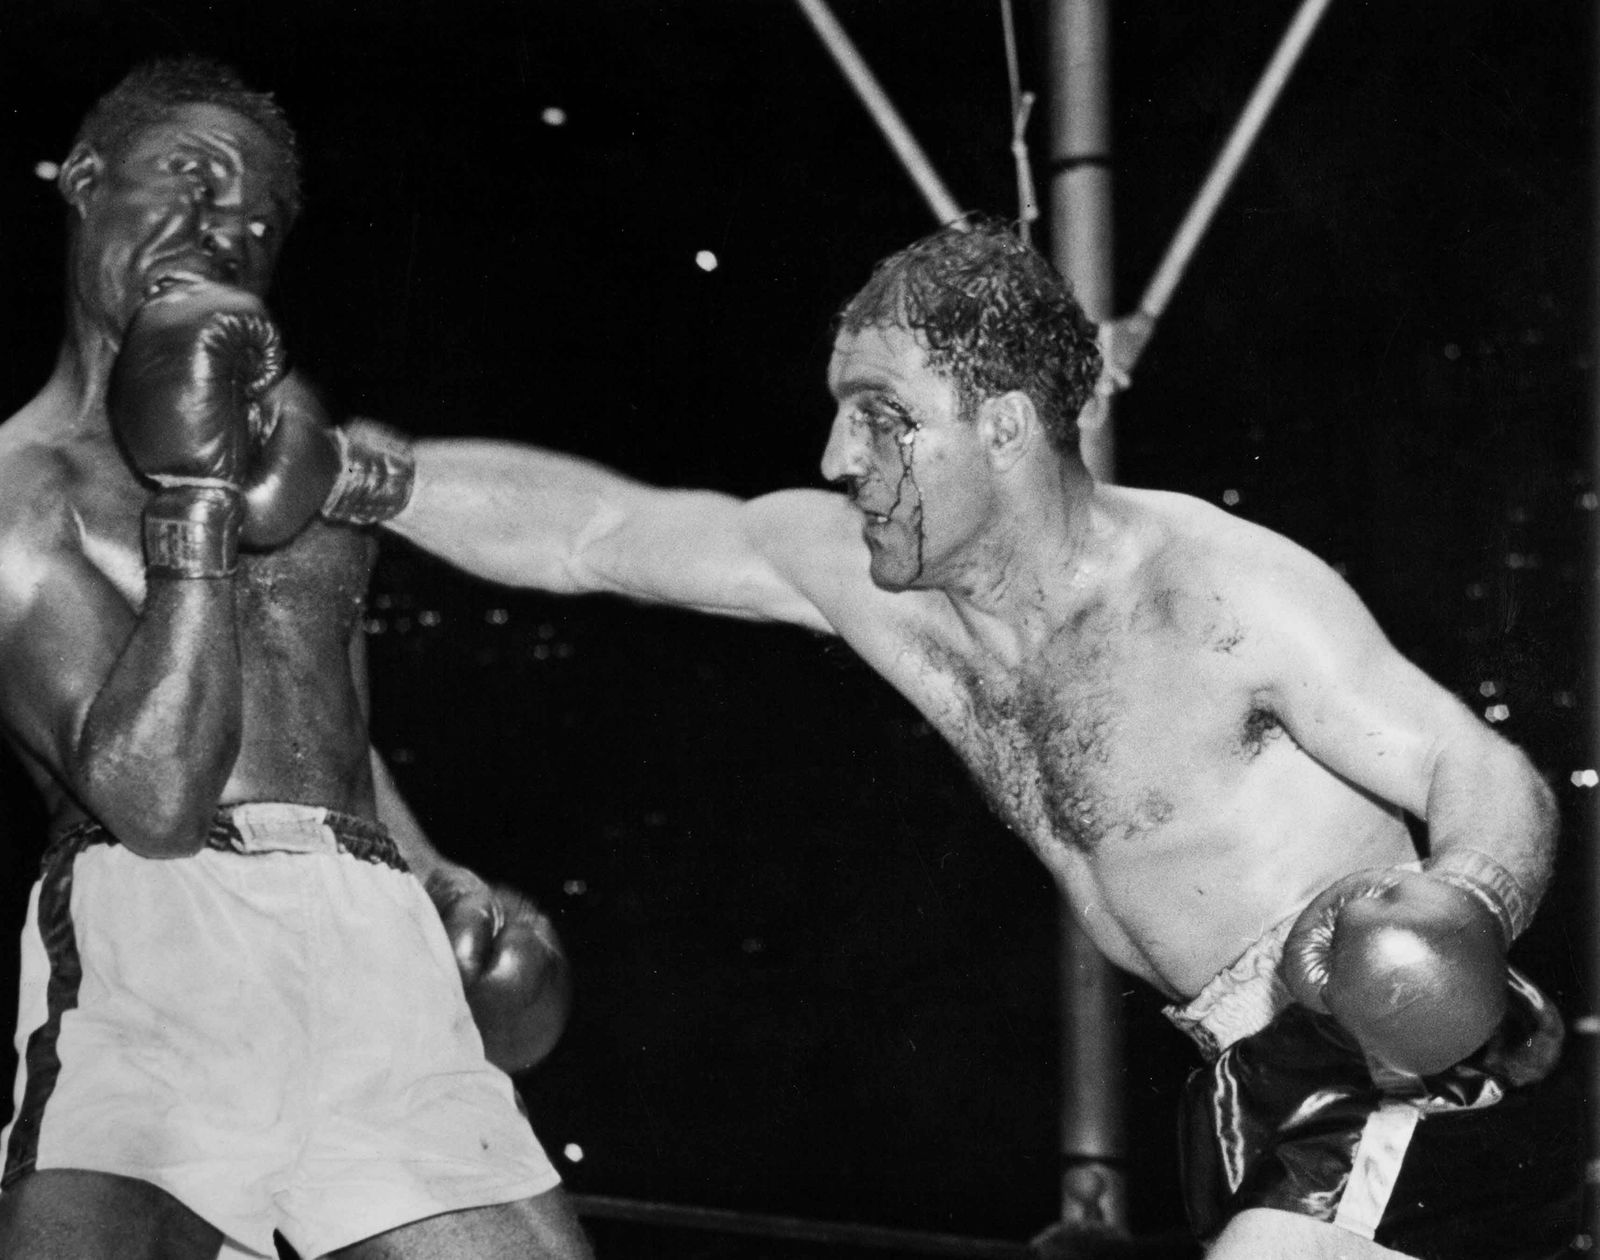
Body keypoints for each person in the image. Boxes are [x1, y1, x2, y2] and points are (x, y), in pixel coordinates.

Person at [373, 218, 1583, 1257]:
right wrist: (362, 476)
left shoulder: (1216, 594)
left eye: (880, 417)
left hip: (1395, 1054)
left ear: (1002, 426)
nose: (837, 459)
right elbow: (597, 532)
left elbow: (1469, 764)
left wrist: (1462, 902)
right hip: (1234, 1086)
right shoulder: (873, 585)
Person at [0, 58, 592, 1260]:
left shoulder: (298, 434)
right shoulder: (21, 488)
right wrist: (200, 506)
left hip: (368, 936)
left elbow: (323, 719)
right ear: (84, 180)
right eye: (194, 181)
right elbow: (153, 799)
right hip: (159, 939)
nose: (225, 230)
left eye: (259, 221)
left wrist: (433, 878)